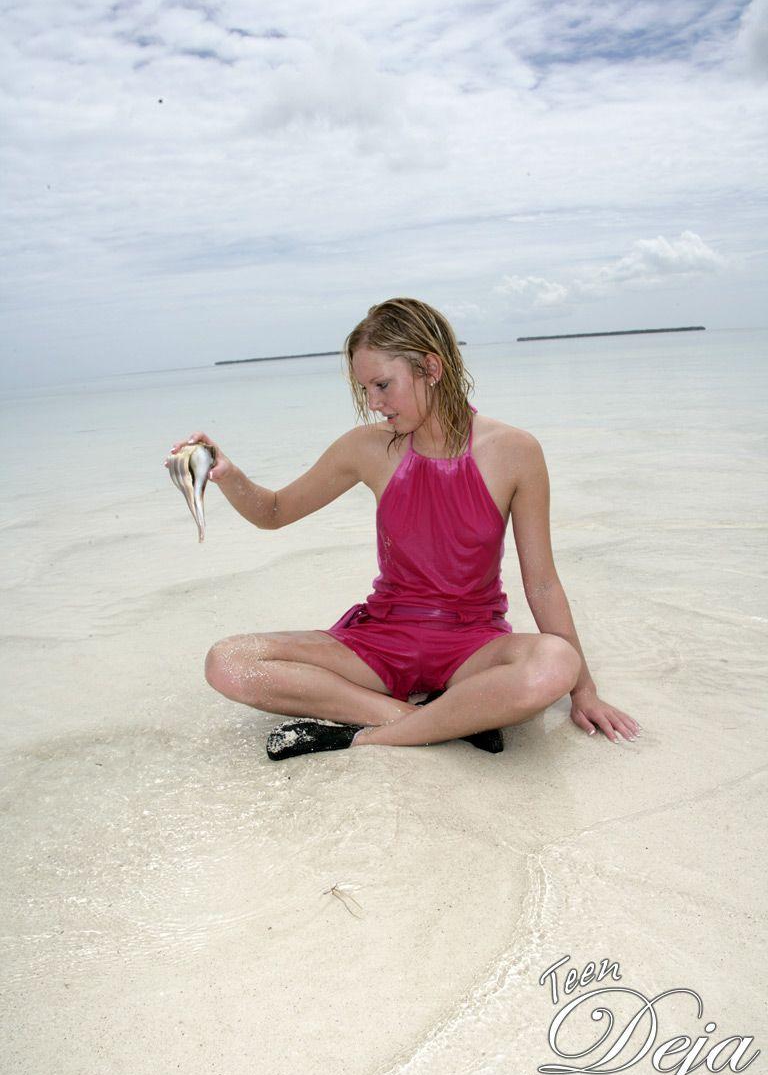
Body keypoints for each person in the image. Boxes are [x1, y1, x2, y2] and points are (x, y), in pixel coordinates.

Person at [166, 298, 640, 761]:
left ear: (430, 369)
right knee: (226, 661)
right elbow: (272, 512)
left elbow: (542, 582)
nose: (373, 404)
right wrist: (227, 473)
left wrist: (585, 691)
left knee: (556, 662)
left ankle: (367, 736)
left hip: (473, 645)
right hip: (379, 640)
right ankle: (438, 721)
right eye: (365, 390)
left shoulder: (515, 451)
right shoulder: (368, 449)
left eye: (382, 386)